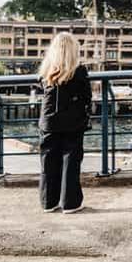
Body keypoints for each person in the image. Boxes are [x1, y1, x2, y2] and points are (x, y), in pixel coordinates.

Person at [38, 32, 92, 214]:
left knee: (48, 161)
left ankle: (48, 202)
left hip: (49, 121)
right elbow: (87, 96)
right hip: (72, 121)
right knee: (71, 161)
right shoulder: (79, 71)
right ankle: (70, 203)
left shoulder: (46, 70)